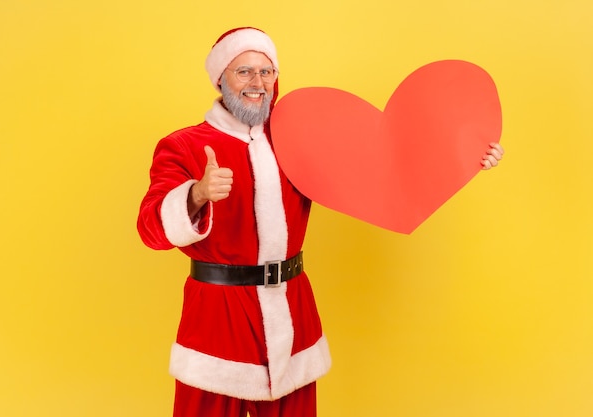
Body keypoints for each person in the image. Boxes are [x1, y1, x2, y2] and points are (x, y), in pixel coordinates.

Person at [137, 27, 504, 417]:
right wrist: (196, 194)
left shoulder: (297, 135)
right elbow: (149, 228)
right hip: (216, 317)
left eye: (266, 72)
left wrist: (465, 154)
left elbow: (382, 171)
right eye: (244, 71)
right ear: (220, 78)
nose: (257, 83)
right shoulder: (184, 146)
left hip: (293, 313)